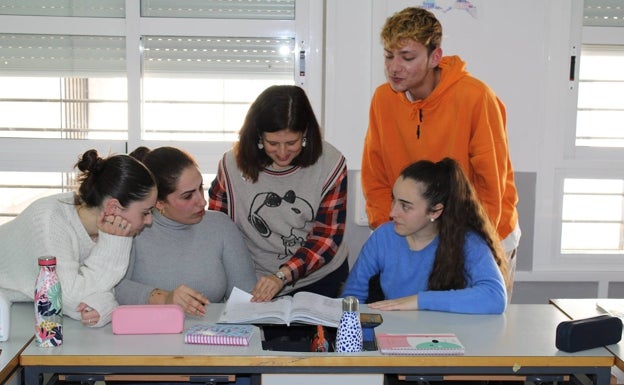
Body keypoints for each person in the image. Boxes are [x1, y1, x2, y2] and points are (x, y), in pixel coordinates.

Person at [361, 6, 520, 296]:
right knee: (413, 329)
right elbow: (375, 174)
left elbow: (490, 187)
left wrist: (471, 247)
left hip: (480, 233)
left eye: (407, 57)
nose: (394, 67)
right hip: (414, 231)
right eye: (389, 56)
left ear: (435, 56)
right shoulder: (383, 99)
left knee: (473, 331)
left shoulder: (475, 97)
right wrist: (391, 231)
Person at [208, 85, 349, 302]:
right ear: (257, 136)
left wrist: (282, 275)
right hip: (253, 281)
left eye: (292, 143)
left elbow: (326, 237)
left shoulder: (330, 164)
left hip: (318, 278)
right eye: (272, 143)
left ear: (305, 134)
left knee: (313, 337)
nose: (282, 153)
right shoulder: (230, 166)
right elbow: (218, 229)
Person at [0, 149, 157, 327]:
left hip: (21, 313)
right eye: (145, 212)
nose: (149, 220)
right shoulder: (49, 221)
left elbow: (104, 287)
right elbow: (66, 300)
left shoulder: (108, 227)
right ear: (113, 207)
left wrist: (103, 306)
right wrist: (116, 242)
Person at [342, 158, 508, 314]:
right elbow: (351, 297)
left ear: (435, 211)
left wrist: (419, 301)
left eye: (405, 206)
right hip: (393, 334)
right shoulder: (382, 237)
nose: (392, 213)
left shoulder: (467, 242)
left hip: (450, 338)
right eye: (394, 200)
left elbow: (495, 297)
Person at [115, 146, 257, 316]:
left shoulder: (221, 226)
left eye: (200, 188)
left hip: (210, 336)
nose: (202, 202)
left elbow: (245, 297)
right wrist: (164, 298)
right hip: (149, 335)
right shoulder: (133, 230)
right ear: (158, 202)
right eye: (188, 196)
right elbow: (114, 287)